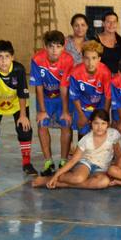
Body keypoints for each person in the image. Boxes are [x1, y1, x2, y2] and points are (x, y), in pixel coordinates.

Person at [0, 40, 34, 179]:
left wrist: (23, 115)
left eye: (7, 56)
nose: (4, 61)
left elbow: (22, 93)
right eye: (0, 57)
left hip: (17, 104)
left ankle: (27, 163)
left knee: (24, 129)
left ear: (12, 57)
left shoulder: (19, 69)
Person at [33, 109, 119, 189]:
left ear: (108, 124)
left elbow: (117, 154)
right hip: (85, 164)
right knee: (78, 178)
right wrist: (55, 175)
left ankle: (63, 184)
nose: (99, 127)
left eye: (103, 123)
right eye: (96, 123)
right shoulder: (86, 140)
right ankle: (51, 179)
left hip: (101, 168)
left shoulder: (114, 134)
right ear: (90, 123)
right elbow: (73, 161)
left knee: (104, 182)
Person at [29, 30, 74, 176]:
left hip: (62, 98)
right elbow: (38, 86)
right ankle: (48, 162)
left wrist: (66, 111)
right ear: (45, 46)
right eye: (51, 46)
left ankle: (63, 161)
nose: (55, 51)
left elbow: (64, 87)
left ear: (63, 46)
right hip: (45, 98)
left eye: (58, 46)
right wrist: (42, 110)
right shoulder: (37, 59)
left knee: (66, 124)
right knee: (42, 124)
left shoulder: (68, 59)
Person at [68, 41, 112, 137]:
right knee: (82, 131)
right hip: (82, 108)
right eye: (87, 58)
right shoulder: (75, 72)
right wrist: (81, 115)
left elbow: (108, 97)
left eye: (94, 58)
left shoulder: (105, 72)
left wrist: (104, 117)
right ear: (82, 59)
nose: (90, 62)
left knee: (99, 132)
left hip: (100, 107)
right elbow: (74, 96)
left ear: (99, 59)